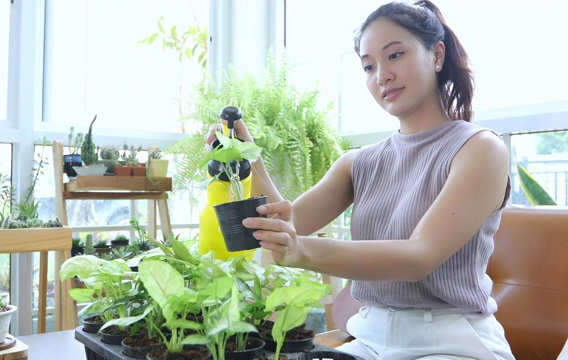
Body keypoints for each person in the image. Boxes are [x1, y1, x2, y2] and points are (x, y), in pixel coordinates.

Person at [205, 1, 514, 359]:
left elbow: (419, 256)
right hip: (367, 340)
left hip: (450, 341)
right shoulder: (358, 163)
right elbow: (286, 224)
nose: (381, 75)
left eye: (395, 55)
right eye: (369, 66)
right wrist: (248, 156)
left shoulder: (480, 149)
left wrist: (301, 249)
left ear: (437, 55)